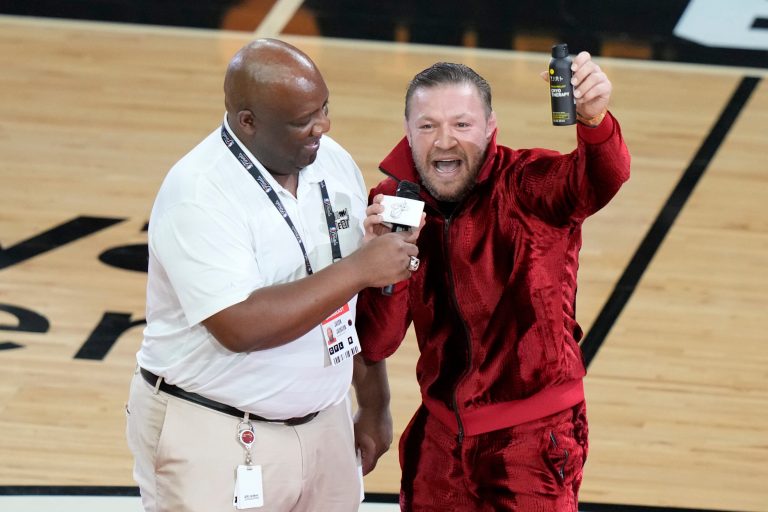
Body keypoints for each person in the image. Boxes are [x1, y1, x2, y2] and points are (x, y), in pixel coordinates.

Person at [125, 38, 421, 512]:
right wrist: (359, 268)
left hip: (325, 423)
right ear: (248, 122)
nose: (322, 126)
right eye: (304, 120)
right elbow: (239, 327)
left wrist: (374, 402)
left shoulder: (331, 160)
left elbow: (348, 308)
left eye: (324, 108)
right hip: (216, 434)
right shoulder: (199, 194)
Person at [355, 53, 631, 511]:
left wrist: (594, 119)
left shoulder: (528, 185)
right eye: (427, 127)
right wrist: (382, 267)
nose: (444, 141)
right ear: (408, 131)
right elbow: (377, 342)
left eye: (462, 125)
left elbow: (603, 175)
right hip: (438, 440)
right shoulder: (392, 204)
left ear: (489, 127)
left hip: (532, 443)